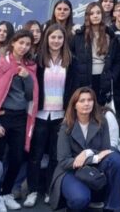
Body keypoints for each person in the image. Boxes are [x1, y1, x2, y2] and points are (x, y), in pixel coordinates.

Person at [0, 28, 39, 210]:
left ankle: (6, 193)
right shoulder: (0, 64)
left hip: (20, 118)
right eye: (21, 43)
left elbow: (31, 96)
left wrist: (27, 78)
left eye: (27, 44)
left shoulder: (30, 66)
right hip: (2, 117)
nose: (23, 47)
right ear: (13, 43)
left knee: (17, 158)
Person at [48, 87, 120, 212]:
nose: (86, 103)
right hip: (71, 171)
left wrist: (87, 152)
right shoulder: (66, 126)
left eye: (90, 100)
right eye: (82, 100)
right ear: (74, 105)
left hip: (94, 169)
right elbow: (64, 161)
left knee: (115, 159)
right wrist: (93, 158)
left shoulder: (102, 121)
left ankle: (111, 206)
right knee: (80, 199)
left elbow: (106, 151)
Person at [27, 24, 78, 208]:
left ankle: (50, 190)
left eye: (59, 37)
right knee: (36, 155)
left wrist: (70, 113)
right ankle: (32, 191)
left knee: (56, 156)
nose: (56, 41)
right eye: (53, 37)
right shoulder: (37, 59)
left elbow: (74, 89)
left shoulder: (71, 60)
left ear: (64, 40)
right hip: (40, 114)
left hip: (61, 115)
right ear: (46, 39)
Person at [72, 2, 116, 107]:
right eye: (92, 13)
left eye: (98, 13)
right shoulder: (79, 34)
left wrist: (111, 75)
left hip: (103, 78)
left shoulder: (110, 34)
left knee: (100, 109)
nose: (95, 16)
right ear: (87, 16)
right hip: (85, 78)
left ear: (102, 15)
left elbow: (115, 59)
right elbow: (73, 56)